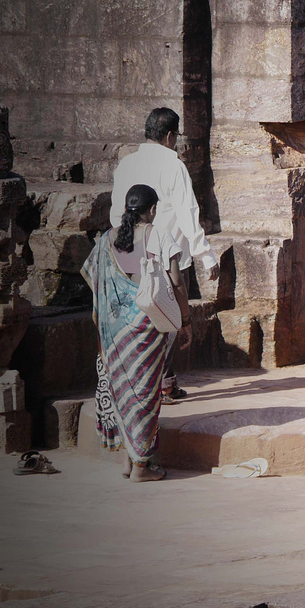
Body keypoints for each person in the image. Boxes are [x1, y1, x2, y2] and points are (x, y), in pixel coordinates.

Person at [82, 184, 190, 482]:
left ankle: (128, 463)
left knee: (123, 391)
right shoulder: (158, 234)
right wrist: (187, 318)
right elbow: (177, 282)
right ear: (152, 209)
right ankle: (141, 467)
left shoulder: (106, 239)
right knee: (144, 393)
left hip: (115, 330)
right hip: (148, 324)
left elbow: (94, 278)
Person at [110, 107, 216, 402]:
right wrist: (205, 255)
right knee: (167, 323)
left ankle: (145, 383)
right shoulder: (173, 166)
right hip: (165, 255)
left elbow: (115, 212)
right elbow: (187, 213)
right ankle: (164, 385)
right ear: (170, 136)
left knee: (138, 320)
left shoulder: (127, 164)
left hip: (129, 255)